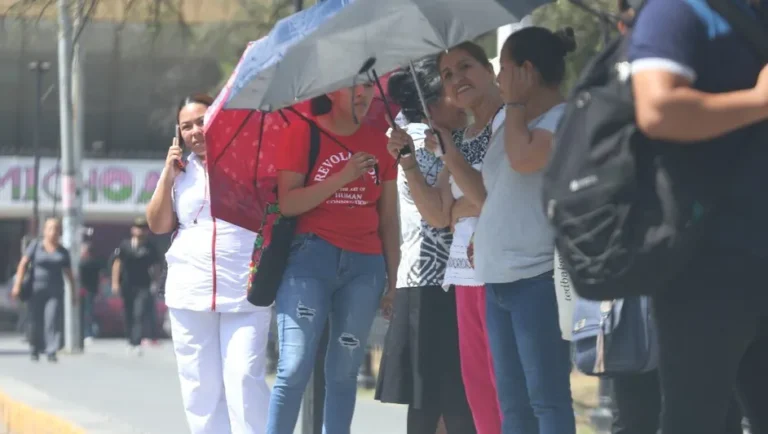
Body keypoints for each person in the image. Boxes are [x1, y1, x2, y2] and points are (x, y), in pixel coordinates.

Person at [629, 0, 768, 433]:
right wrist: (760, 100)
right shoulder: (676, 10)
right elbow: (657, 108)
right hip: (706, 270)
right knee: (697, 421)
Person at [437, 28, 578, 434]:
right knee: (512, 406)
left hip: (538, 280)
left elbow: (523, 160)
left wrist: (512, 104)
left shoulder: (562, 118)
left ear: (526, 71)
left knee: (546, 401)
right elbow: (487, 192)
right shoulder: (516, 124)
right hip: (498, 282)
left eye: (504, 69)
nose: (500, 79)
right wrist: (447, 145)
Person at [266, 83, 400, 434]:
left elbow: (388, 219)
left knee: (345, 371)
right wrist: (343, 177)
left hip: (365, 267)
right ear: (331, 90)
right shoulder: (302, 132)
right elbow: (289, 203)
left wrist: (394, 281)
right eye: (352, 86)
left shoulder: (382, 142)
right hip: (309, 259)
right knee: (294, 365)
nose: (363, 93)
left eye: (368, 85)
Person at [146, 93, 273, 434]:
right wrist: (167, 176)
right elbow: (157, 224)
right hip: (190, 290)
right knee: (200, 386)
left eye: (202, 121)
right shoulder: (180, 172)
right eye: (186, 126)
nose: (195, 131)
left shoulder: (251, 161)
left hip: (246, 289)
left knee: (245, 378)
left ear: (219, 119)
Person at [398, 41, 505, 434]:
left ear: (489, 69)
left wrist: (466, 201)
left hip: (501, 273)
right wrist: (410, 162)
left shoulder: (507, 123)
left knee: (504, 387)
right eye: (447, 75)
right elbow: (441, 214)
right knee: (477, 392)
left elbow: (488, 199)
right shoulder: (457, 139)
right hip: (462, 275)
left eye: (465, 67)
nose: (457, 79)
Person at [375, 57, 476, 434]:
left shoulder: (439, 140)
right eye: (450, 87)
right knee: (445, 398)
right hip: (434, 282)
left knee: (434, 398)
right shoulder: (421, 141)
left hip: (436, 281)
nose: (460, 93)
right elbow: (442, 211)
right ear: (432, 103)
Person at [11, 217, 75, 363]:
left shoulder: (63, 251)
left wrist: (74, 293)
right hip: (35, 290)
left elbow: (70, 274)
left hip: (55, 291)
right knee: (34, 321)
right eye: (50, 228)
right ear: (44, 231)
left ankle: (51, 350)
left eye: (57, 229)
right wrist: (17, 285)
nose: (54, 232)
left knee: (52, 319)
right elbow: (23, 265)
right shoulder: (35, 246)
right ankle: (34, 347)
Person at [111, 217, 161, 355]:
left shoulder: (150, 247)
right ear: (133, 230)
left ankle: (136, 342)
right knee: (128, 314)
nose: (140, 230)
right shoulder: (125, 245)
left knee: (138, 313)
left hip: (143, 285)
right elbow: (117, 264)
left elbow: (156, 266)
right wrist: (115, 283)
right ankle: (129, 340)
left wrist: (156, 283)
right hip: (127, 285)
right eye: (138, 227)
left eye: (143, 228)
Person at [79, 241, 104, 345]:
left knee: (88, 313)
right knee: (83, 313)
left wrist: (99, 291)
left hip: (89, 291)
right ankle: (83, 334)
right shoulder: (81, 263)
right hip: (82, 291)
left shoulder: (90, 263)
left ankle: (87, 334)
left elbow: (99, 278)